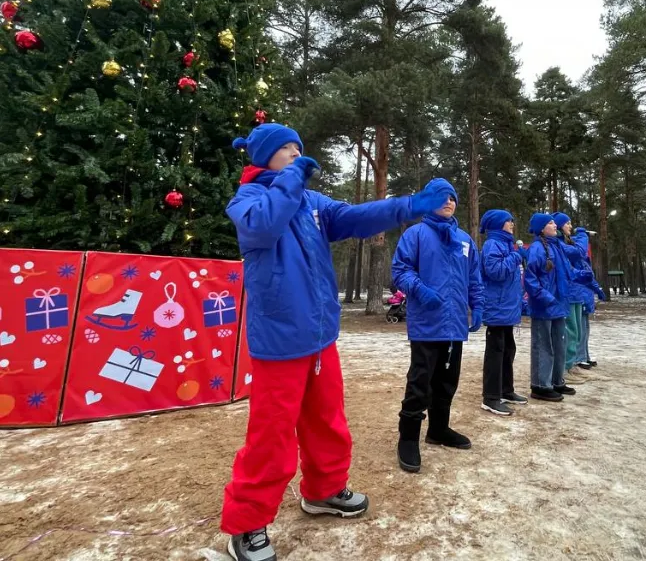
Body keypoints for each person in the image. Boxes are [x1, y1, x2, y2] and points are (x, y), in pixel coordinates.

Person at [221, 123, 449, 561]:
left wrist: (407, 206)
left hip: (320, 337)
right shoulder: (248, 200)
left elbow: (355, 217)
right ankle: (247, 524)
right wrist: (291, 179)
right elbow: (265, 227)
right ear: (261, 156)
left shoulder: (312, 203)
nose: (293, 153)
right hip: (279, 340)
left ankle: (323, 491)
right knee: (271, 435)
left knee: (327, 419)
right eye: (284, 148)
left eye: (297, 148)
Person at [392, 178, 485, 474]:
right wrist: (419, 289)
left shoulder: (465, 240)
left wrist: (478, 304)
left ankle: (439, 429)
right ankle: (408, 438)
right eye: (441, 197)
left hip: (455, 322)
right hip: (427, 323)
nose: (448, 202)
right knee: (420, 382)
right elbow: (401, 270)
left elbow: (474, 277)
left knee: (447, 381)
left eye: (453, 198)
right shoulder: (416, 234)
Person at [478, 209, 527, 416]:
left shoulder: (506, 244)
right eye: (509, 221)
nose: (512, 224)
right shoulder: (492, 245)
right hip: (496, 308)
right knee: (495, 353)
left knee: (508, 350)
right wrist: (516, 256)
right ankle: (490, 397)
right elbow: (496, 272)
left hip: (507, 308)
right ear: (499, 224)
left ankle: (506, 390)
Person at [524, 213, 576, 402]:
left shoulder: (557, 247)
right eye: (550, 223)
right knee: (543, 345)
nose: (555, 225)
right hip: (544, 307)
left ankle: (556, 380)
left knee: (559, 344)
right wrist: (546, 298)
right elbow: (530, 279)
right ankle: (540, 385)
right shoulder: (537, 249)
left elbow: (567, 272)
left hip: (559, 305)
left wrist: (583, 277)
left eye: (554, 222)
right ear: (541, 228)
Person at [552, 213, 602, 383]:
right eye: (567, 223)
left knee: (577, 331)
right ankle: (564, 368)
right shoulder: (558, 244)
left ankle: (571, 365)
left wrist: (594, 287)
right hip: (568, 294)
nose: (570, 227)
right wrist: (582, 235)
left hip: (576, 293)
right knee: (570, 332)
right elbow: (579, 253)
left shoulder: (566, 242)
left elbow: (582, 266)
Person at [571, 226, 604, 369]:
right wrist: (583, 236)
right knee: (579, 330)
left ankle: (584, 355)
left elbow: (590, 278)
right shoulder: (575, 257)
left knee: (585, 328)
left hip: (585, 295)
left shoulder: (584, 260)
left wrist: (598, 289)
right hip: (579, 295)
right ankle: (578, 358)